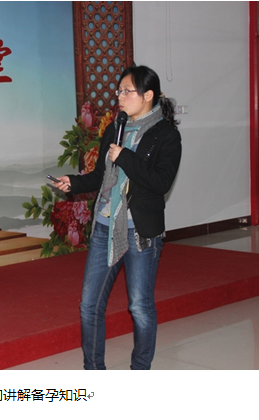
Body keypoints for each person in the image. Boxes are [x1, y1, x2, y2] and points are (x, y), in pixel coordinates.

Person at [52, 65, 182, 369]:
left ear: (148, 95)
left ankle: (140, 370)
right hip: (105, 227)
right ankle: (94, 371)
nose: (119, 97)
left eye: (127, 91)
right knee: (89, 305)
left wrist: (124, 156)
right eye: (119, 91)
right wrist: (73, 183)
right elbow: (101, 175)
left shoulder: (166, 135)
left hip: (141, 232)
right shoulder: (115, 128)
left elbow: (160, 182)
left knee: (139, 307)